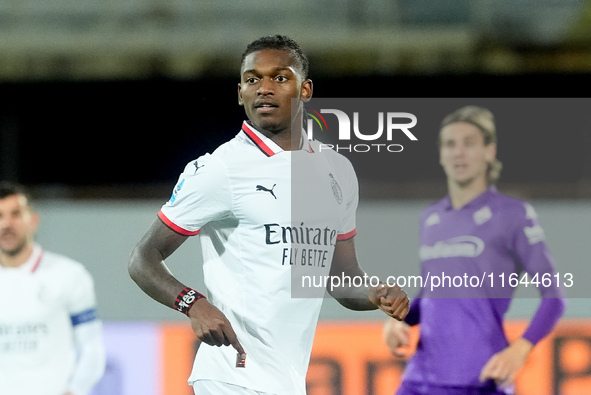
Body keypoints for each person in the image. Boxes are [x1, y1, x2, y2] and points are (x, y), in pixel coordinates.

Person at [128, 34, 410, 395]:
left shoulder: (336, 170)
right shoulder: (221, 168)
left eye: (279, 77)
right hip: (231, 374)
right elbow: (143, 257)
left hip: (287, 380)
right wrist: (193, 304)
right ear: (240, 93)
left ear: (305, 89)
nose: (263, 88)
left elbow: (341, 277)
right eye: (252, 79)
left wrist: (375, 294)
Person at [383, 105, 567, 395]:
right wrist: (400, 320)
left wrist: (520, 349)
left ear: (489, 151)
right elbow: (431, 295)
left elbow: (554, 298)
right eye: (450, 144)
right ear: (441, 154)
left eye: (469, 143)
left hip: (479, 379)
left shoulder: (513, 215)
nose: (459, 152)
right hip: (420, 379)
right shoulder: (431, 218)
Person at [0, 182, 106, 395]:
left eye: (16, 214)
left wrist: (74, 390)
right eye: (0, 216)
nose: (6, 224)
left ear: (33, 221)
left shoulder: (68, 275)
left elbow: (92, 348)